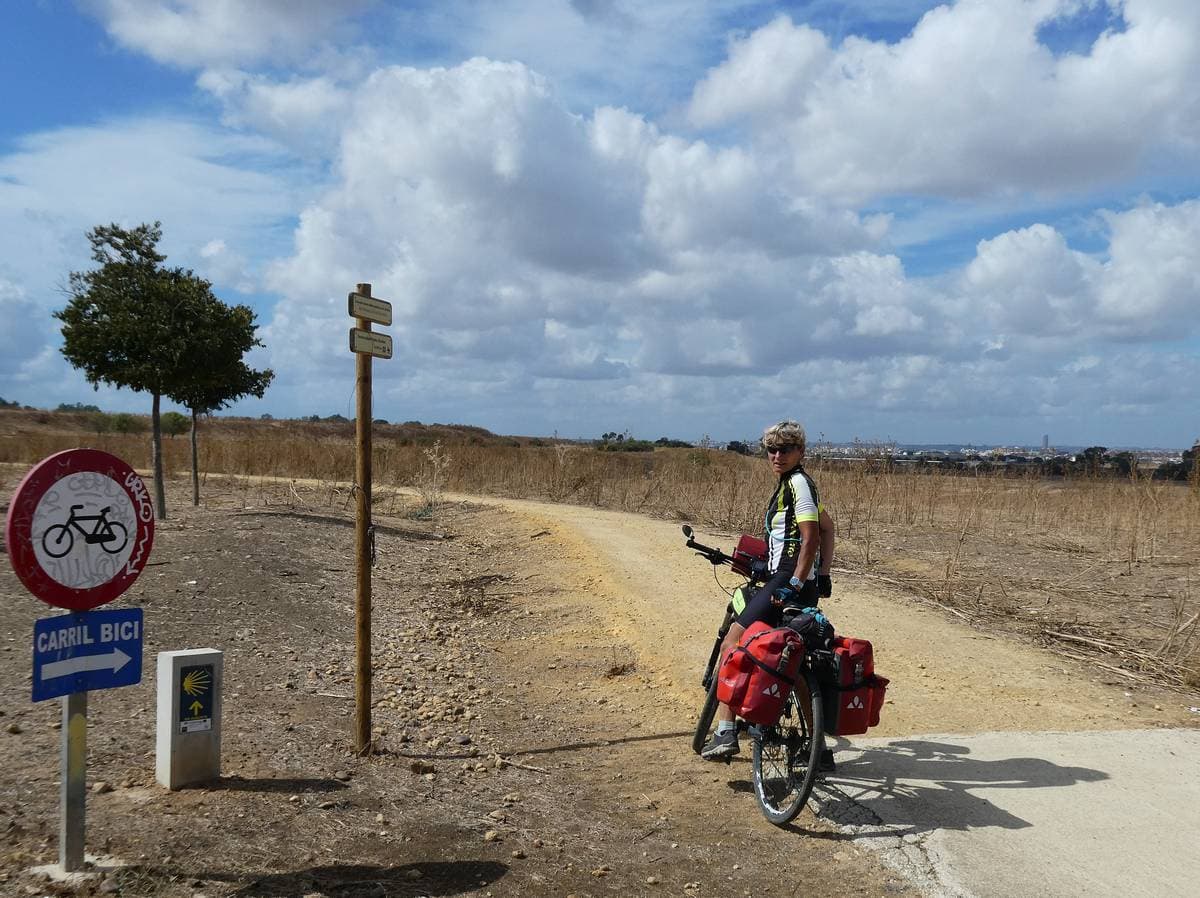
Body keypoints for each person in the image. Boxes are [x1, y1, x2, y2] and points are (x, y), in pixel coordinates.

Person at [702, 419, 827, 761]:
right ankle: (818, 750)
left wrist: (795, 583)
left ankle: (726, 731)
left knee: (734, 642)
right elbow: (828, 527)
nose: (777, 455)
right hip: (797, 580)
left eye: (785, 449)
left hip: (787, 580)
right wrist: (823, 576)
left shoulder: (797, 484)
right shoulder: (798, 484)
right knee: (793, 662)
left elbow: (812, 536)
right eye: (771, 449)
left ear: (800, 451)